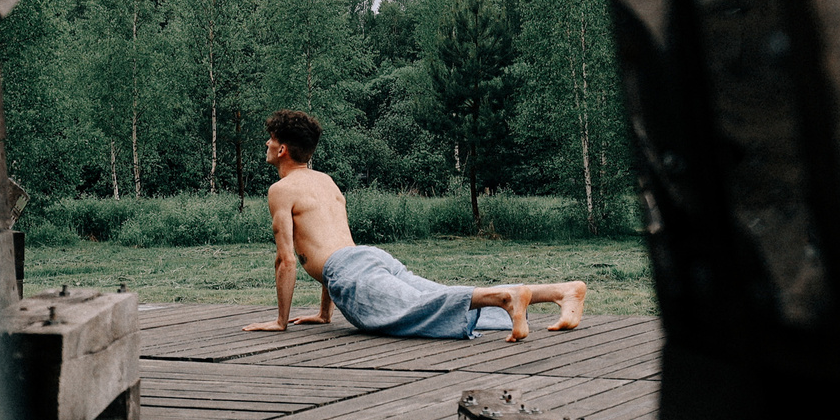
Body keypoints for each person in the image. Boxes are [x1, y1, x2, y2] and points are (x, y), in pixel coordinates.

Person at [242, 109, 587, 342]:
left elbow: (288, 259)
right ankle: (562, 291)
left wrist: (281, 322)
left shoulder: (281, 190)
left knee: (417, 311)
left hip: (351, 272)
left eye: (270, 139)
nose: (267, 144)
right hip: (368, 258)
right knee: (436, 298)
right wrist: (323, 314)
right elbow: (331, 246)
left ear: (283, 148)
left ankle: (508, 296)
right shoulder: (325, 181)